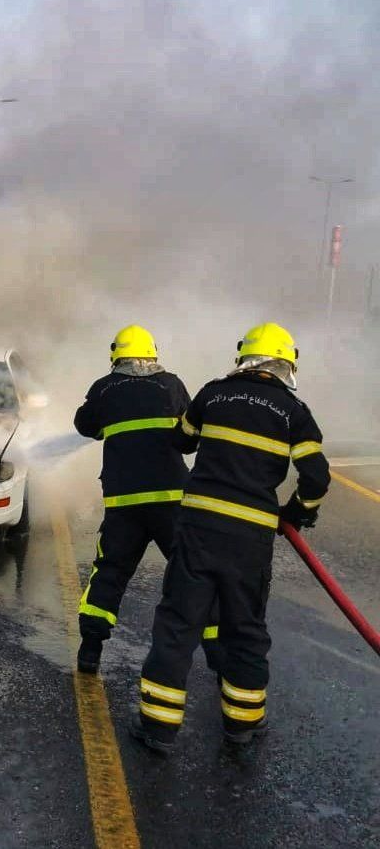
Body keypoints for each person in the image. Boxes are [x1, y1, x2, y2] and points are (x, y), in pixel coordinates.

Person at [131, 322, 329, 755]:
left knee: (179, 625)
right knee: (244, 629)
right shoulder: (293, 411)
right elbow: (316, 476)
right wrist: (296, 514)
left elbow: (181, 441)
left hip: (198, 528)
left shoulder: (212, 393)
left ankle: (158, 729)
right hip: (249, 538)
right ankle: (242, 725)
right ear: (287, 365)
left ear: (245, 356)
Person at [73, 326, 219, 674]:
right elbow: (191, 434)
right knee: (193, 572)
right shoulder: (171, 384)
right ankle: (219, 652)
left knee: (110, 572)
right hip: (171, 500)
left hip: (124, 503)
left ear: (116, 355)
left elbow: (84, 425)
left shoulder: (104, 388)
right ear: (153, 354)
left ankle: (90, 652)